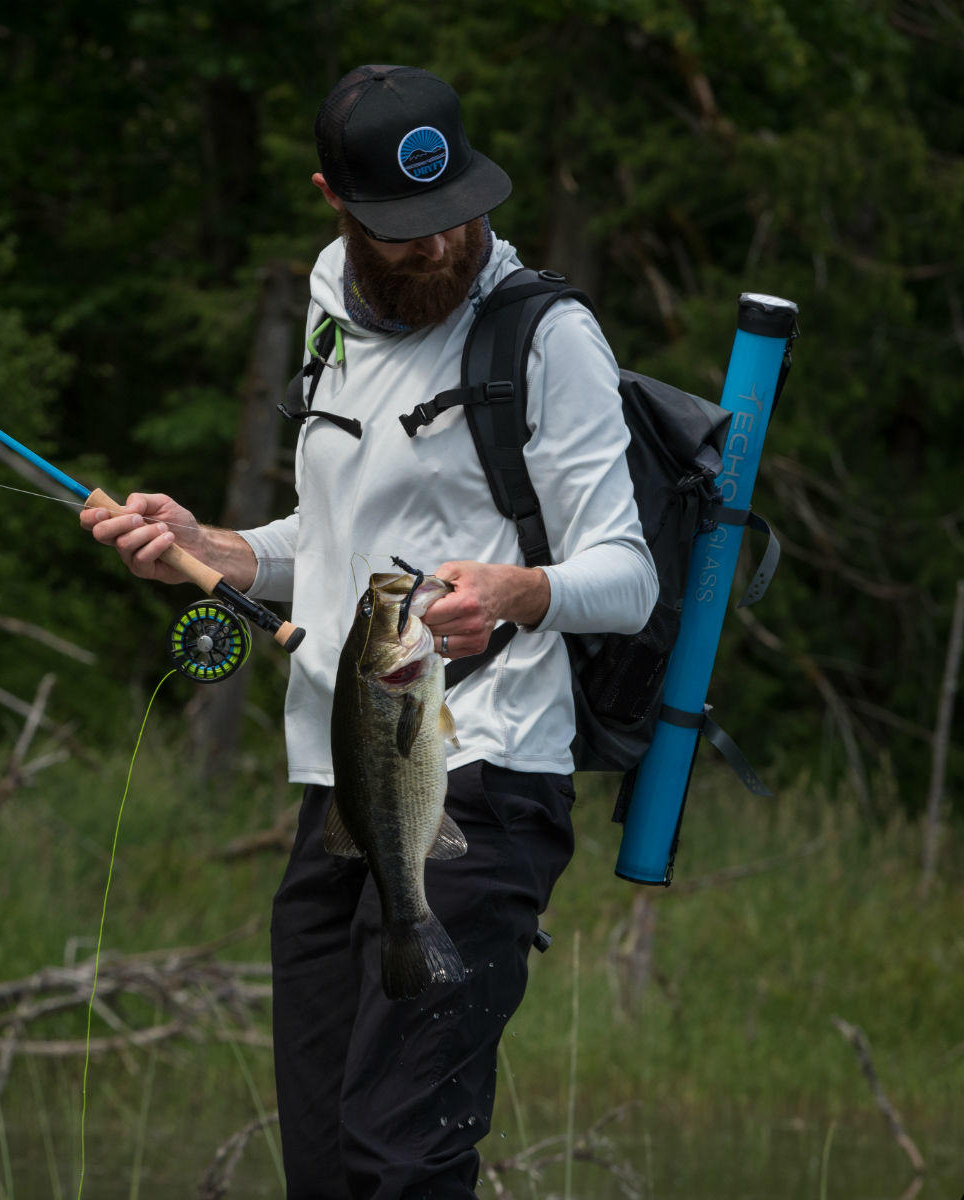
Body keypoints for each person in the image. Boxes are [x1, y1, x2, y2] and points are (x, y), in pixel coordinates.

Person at [82, 64, 657, 1200]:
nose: (438, 247)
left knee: (404, 1157)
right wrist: (219, 544)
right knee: (329, 1164)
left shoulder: (549, 337)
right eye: (402, 230)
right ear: (333, 202)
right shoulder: (325, 304)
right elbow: (335, 537)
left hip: (481, 779)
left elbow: (626, 575)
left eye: (456, 217)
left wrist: (515, 593)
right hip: (338, 785)